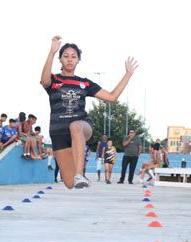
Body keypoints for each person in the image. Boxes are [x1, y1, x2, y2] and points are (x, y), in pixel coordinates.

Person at [40, 35, 138, 189]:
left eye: (74, 56)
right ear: (60, 60)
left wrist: (128, 74)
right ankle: (77, 173)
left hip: (82, 125)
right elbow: (44, 81)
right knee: (69, 183)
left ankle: (80, 174)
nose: (70, 59)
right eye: (65, 56)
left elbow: (112, 97)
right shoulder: (54, 80)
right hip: (58, 133)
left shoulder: (84, 83)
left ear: (78, 60)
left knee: (75, 127)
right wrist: (52, 52)